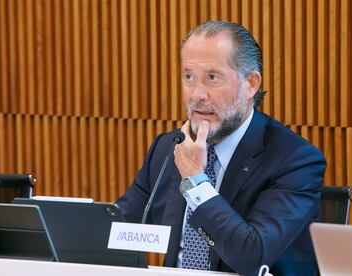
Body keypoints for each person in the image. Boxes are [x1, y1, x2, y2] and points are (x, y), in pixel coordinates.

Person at [117, 21, 326, 276]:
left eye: (212, 78)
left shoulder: (295, 161)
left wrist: (196, 181)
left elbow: (253, 257)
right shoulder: (167, 149)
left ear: (251, 84)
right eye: (189, 77)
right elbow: (118, 231)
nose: (197, 94)